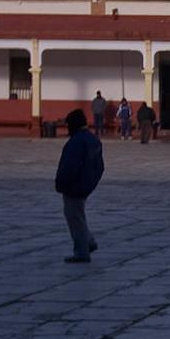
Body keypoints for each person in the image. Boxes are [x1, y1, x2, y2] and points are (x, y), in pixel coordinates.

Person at [55, 108, 104, 263]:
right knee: (78, 215)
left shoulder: (76, 142)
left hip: (74, 186)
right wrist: (91, 182)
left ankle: (82, 251)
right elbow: (100, 167)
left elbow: (69, 167)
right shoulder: (93, 140)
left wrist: (61, 183)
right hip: (86, 185)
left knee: (74, 217)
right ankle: (88, 241)